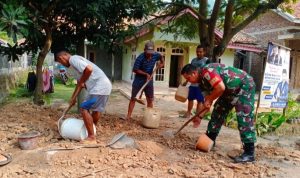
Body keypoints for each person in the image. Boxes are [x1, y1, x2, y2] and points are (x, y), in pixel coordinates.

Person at [181, 63, 256, 163]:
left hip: (243, 86)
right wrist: (199, 117)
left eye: (188, 78)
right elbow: (207, 102)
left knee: (244, 118)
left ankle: (249, 153)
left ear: (194, 73)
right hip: (228, 92)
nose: (188, 81)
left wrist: (210, 99)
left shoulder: (207, 71)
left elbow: (220, 87)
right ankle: (210, 140)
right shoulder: (201, 84)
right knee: (218, 112)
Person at [55, 50, 112, 144]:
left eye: (61, 62)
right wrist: (73, 98)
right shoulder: (74, 67)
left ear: (62, 57)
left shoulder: (73, 59)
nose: (63, 64)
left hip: (99, 87)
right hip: (105, 86)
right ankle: (92, 131)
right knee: (96, 110)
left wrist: (82, 81)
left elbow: (88, 69)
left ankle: (91, 137)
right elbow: (80, 84)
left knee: (83, 107)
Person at [124, 41, 164, 120]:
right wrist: (145, 74)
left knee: (150, 99)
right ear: (144, 50)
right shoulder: (140, 58)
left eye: (151, 53)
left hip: (149, 80)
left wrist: (162, 64)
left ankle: (149, 118)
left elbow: (161, 57)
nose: (150, 55)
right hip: (139, 79)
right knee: (133, 98)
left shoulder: (156, 55)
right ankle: (128, 116)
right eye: (148, 53)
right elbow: (135, 70)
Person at [183, 45, 210, 118]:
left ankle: (197, 116)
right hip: (192, 84)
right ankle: (188, 113)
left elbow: (208, 72)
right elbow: (189, 72)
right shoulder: (193, 60)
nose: (198, 53)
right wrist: (186, 81)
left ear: (204, 52)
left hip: (201, 84)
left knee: (200, 100)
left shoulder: (206, 60)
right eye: (197, 52)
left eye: (200, 52)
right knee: (190, 98)